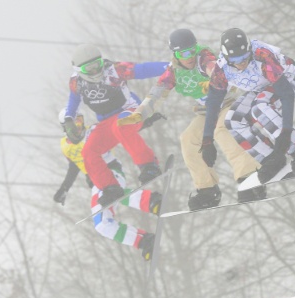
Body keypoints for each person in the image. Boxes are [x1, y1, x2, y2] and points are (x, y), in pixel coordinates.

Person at [118, 29, 260, 211]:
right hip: (207, 111)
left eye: (191, 50)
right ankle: (207, 189)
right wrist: (139, 114)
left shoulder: (203, 58)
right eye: (183, 53)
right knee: (188, 140)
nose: (189, 57)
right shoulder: (173, 72)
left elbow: (213, 68)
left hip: (228, 103)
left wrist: (213, 79)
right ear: (175, 54)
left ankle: (249, 177)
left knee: (222, 130)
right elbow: (158, 92)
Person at [200, 28, 295, 201]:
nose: (242, 63)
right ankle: (271, 159)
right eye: (236, 60)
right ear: (227, 58)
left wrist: (286, 133)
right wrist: (207, 140)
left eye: (244, 58)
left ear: (249, 51)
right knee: (232, 119)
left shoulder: (261, 56)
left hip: (287, 81)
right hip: (261, 89)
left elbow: (286, 94)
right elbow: (213, 102)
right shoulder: (221, 69)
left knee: (260, 107)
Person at [62, 44, 169, 210]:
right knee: (89, 151)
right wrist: (69, 119)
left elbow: (143, 69)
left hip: (131, 110)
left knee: (121, 126)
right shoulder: (76, 82)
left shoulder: (115, 70)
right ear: (79, 69)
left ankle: (149, 165)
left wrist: (170, 67)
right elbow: (74, 101)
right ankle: (110, 187)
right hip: (106, 122)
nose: (95, 71)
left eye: (97, 64)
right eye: (88, 68)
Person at [54, 108, 160, 260]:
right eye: (74, 123)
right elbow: (74, 166)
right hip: (97, 181)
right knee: (103, 225)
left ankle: (151, 207)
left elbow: (119, 132)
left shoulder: (93, 132)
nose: (78, 126)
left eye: (80, 121)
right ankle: (145, 234)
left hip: (110, 171)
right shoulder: (65, 145)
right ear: (65, 127)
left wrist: (145, 122)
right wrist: (64, 188)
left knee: (103, 221)